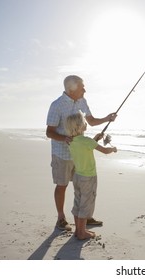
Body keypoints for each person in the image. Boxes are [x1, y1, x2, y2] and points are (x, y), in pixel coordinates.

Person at [46, 75, 117, 231]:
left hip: (79, 153)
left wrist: (107, 118)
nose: (84, 89)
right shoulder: (56, 105)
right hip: (62, 154)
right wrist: (64, 138)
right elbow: (49, 132)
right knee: (62, 185)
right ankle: (61, 218)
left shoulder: (82, 101)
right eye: (82, 87)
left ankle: (85, 218)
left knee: (81, 187)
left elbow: (90, 121)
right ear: (72, 90)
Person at [65, 111, 117, 240]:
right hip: (88, 178)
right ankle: (82, 233)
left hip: (77, 177)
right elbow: (104, 151)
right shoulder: (87, 141)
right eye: (84, 122)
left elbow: (85, 146)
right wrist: (113, 149)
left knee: (78, 202)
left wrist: (96, 139)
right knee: (86, 204)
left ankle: (78, 230)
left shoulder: (71, 141)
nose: (86, 123)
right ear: (79, 126)